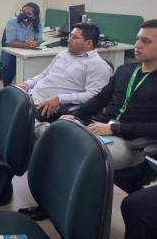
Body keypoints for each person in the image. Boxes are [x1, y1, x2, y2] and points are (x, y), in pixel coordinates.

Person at [61, 19, 157, 193]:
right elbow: (100, 100)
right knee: (57, 139)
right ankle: (53, 200)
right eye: (138, 39)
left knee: (75, 156)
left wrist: (117, 128)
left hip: (132, 142)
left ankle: (74, 210)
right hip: (101, 128)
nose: (137, 45)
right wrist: (77, 115)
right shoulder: (125, 70)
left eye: (146, 41)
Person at [16, 23, 112, 133]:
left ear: (89, 43)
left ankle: (47, 134)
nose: (68, 40)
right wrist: (27, 84)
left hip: (47, 107)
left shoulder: (97, 65)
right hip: (32, 96)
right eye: (70, 36)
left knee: (16, 117)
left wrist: (60, 98)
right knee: (5, 103)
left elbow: (95, 95)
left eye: (74, 37)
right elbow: (44, 74)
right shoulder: (63, 54)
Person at [2, 2, 43, 86]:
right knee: (8, 66)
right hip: (11, 50)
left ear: (34, 16)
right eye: (22, 12)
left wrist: (35, 43)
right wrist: (25, 45)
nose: (23, 15)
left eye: (28, 14)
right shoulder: (12, 21)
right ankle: (6, 87)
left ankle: (27, 88)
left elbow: (39, 39)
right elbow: (9, 42)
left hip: (28, 51)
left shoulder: (38, 23)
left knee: (35, 65)